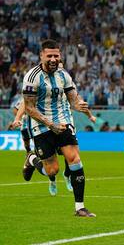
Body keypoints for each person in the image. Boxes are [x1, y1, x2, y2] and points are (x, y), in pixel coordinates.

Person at [22, 39, 96, 217]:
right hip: (41, 126)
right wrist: (50, 124)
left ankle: (80, 207)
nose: (53, 59)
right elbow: (29, 108)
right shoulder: (32, 77)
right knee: (52, 170)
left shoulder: (64, 75)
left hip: (62, 122)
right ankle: (32, 159)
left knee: (75, 159)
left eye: (56, 55)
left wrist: (80, 106)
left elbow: (73, 100)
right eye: (49, 56)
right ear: (41, 56)